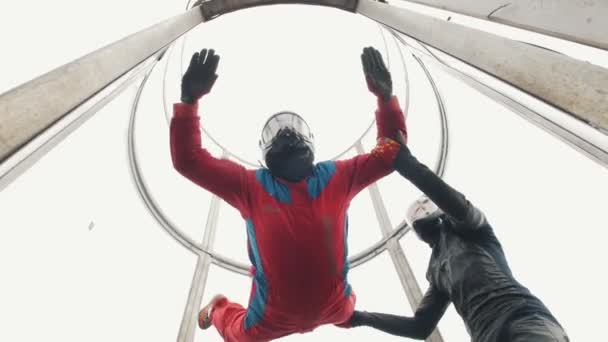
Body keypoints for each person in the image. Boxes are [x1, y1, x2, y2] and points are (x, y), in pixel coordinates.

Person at [170, 46, 407, 341]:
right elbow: (188, 161)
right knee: (238, 335)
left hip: (335, 307)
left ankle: (339, 318)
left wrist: (385, 98)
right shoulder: (251, 185)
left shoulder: (336, 176)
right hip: (280, 316)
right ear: (263, 154)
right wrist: (189, 101)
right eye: (276, 133)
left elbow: (391, 153)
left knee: (341, 314)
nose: (285, 133)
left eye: (293, 129)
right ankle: (219, 306)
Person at [347, 141, 569, 341]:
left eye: (425, 205)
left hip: (521, 317)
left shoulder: (470, 229)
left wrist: (406, 163)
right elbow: (420, 326)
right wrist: (360, 317)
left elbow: (454, 203)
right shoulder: (436, 270)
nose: (421, 209)